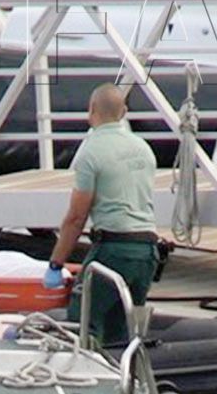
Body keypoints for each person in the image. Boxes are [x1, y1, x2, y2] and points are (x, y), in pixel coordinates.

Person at [45, 83, 159, 346]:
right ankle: (127, 376)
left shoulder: (90, 151)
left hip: (113, 249)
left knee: (83, 324)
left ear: (91, 110)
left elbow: (76, 217)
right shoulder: (143, 149)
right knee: (124, 330)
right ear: (125, 112)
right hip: (146, 252)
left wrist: (55, 264)